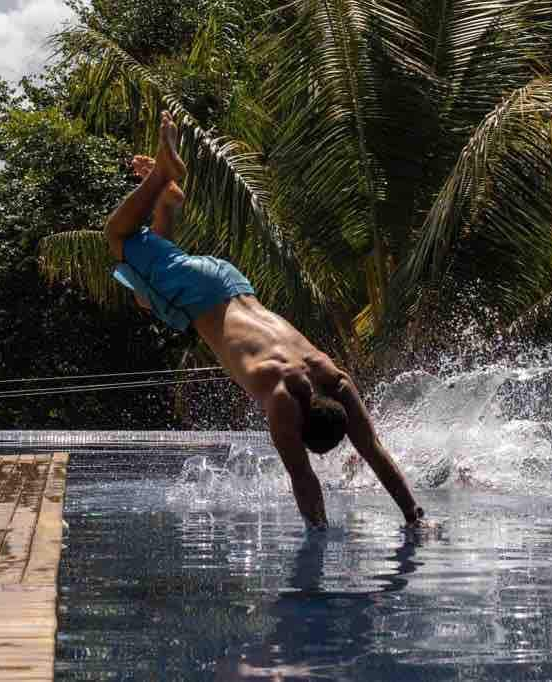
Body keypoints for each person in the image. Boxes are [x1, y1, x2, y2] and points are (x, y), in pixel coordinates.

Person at [105, 111, 425, 529]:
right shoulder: (281, 397)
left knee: (153, 289)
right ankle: (162, 175)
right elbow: (302, 477)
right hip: (204, 294)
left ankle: (166, 201)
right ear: (302, 424)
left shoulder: (335, 378)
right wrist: (319, 535)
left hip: (231, 282)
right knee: (118, 237)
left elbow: (375, 448)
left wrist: (414, 516)